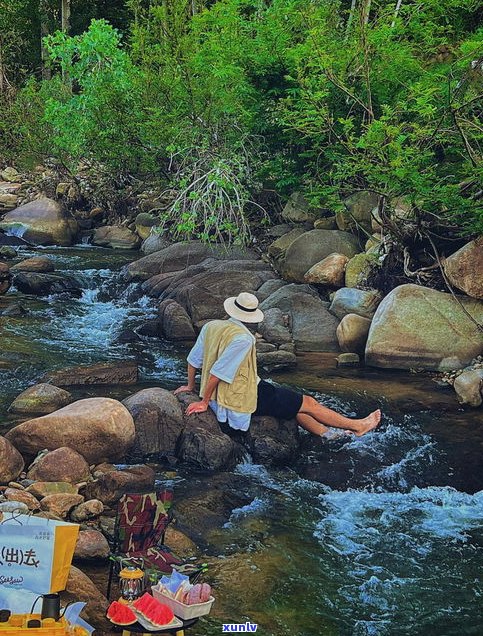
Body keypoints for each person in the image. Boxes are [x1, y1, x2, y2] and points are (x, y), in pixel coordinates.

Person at [175, 291, 381, 437]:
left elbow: (194, 359)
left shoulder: (211, 326)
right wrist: (204, 402)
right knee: (308, 402)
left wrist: (192, 387)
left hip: (231, 391)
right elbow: (219, 373)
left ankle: (328, 435)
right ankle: (358, 425)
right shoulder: (244, 339)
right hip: (240, 396)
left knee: (296, 405)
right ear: (251, 316)